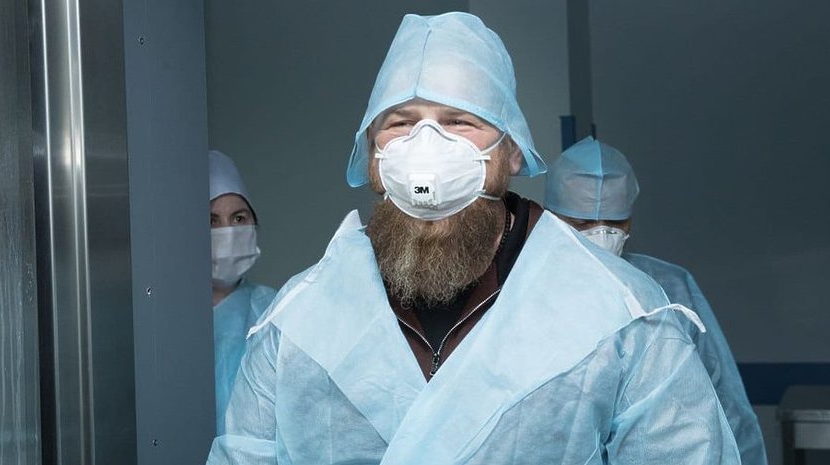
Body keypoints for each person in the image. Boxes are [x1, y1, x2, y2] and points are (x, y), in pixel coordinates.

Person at [208, 13, 741, 464]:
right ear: (371, 153)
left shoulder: (620, 313)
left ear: (512, 151)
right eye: (400, 123)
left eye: (459, 122)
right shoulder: (299, 320)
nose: (427, 147)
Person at [544, 136, 767, 465]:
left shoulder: (668, 286)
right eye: (582, 224)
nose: (601, 235)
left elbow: (724, 400)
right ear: (552, 218)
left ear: (630, 220)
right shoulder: (526, 289)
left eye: (614, 224)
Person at [209, 149, 277, 435]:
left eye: (238, 219)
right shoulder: (162, 316)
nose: (227, 233)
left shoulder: (276, 309)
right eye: (212, 221)